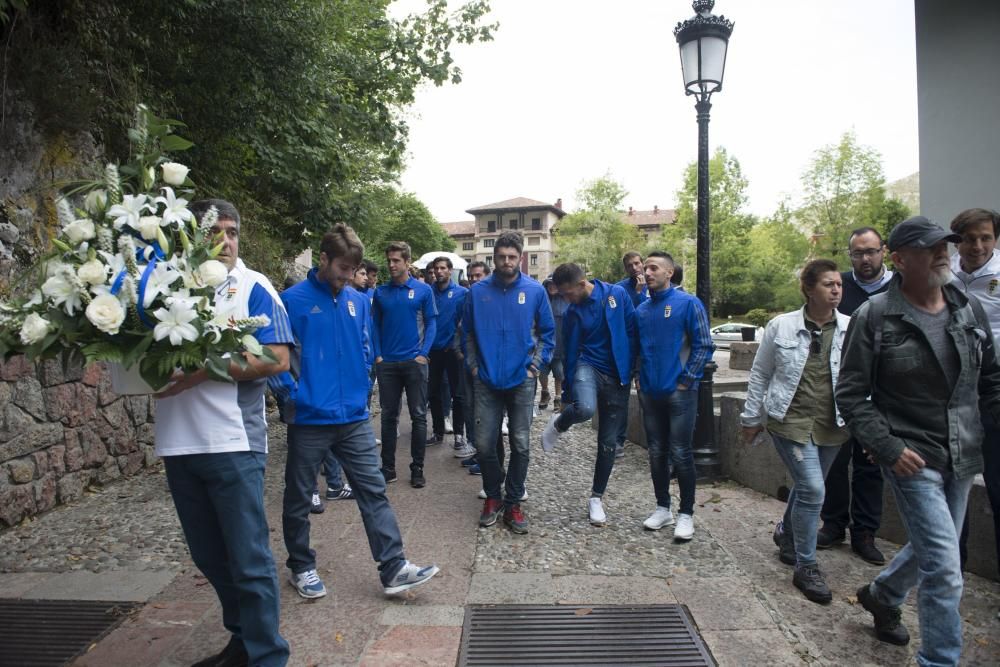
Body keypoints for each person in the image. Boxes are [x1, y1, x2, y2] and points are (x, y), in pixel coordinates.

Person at [837, 216, 1000, 662]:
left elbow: (992, 379)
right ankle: (939, 659)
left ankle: (883, 593)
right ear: (901, 259)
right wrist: (888, 447)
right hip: (912, 457)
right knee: (946, 568)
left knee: (934, 544)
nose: (943, 252)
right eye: (930, 248)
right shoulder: (874, 316)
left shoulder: (968, 305)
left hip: (964, 451)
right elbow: (851, 396)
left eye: (943, 245)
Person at [155, 199, 291, 667]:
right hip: (177, 441)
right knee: (210, 558)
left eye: (233, 232)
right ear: (190, 236)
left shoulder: (253, 286)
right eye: (215, 232)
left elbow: (277, 358)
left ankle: (268, 656)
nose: (226, 241)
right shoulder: (161, 285)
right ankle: (242, 642)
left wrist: (203, 371)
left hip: (233, 442)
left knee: (249, 561)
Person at [277, 224, 440, 600]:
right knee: (299, 496)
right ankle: (300, 565)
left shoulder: (357, 301)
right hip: (309, 418)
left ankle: (394, 566)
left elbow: (365, 346)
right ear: (323, 259)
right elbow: (278, 356)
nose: (349, 276)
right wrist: (292, 394)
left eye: (353, 269)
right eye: (343, 268)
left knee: (374, 491)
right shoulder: (292, 300)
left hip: (352, 417)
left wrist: (362, 388)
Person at [741, 259, 848, 604]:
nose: (836, 290)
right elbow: (760, 374)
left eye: (838, 285)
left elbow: (860, 378)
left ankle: (787, 532)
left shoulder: (851, 327)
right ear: (808, 288)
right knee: (814, 490)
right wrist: (750, 418)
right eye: (828, 284)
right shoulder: (781, 326)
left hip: (833, 423)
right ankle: (806, 565)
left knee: (807, 489)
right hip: (789, 419)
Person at [465, 232, 554, 533]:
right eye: (501, 257)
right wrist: (474, 367)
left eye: (511, 257)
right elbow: (466, 334)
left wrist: (535, 367)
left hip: (521, 380)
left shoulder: (534, 291)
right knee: (484, 443)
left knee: (520, 443)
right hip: (486, 379)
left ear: (521, 257)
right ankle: (493, 496)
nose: (506, 262)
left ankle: (513, 501)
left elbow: (548, 333)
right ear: (495, 258)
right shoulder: (477, 292)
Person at [817, 227, 893, 565]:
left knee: (870, 465)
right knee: (834, 461)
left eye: (871, 251)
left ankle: (865, 533)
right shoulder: (840, 287)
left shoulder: (899, 288)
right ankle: (833, 523)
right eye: (858, 253)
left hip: (882, 393)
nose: (865, 258)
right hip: (840, 390)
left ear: (884, 252)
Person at [541, 263, 636, 526]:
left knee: (608, 443)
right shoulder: (573, 312)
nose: (565, 299)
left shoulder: (616, 295)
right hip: (588, 365)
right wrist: (569, 390)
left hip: (618, 374)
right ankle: (559, 423)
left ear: (583, 285)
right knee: (584, 408)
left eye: (568, 293)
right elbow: (571, 350)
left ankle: (596, 497)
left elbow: (631, 331)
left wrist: (633, 369)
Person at [634, 252, 713, 542]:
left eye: (654, 267)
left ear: (670, 272)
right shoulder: (641, 310)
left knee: (681, 452)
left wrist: (686, 380)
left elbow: (704, 344)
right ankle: (662, 507)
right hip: (650, 393)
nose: (647, 272)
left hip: (679, 393)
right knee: (656, 453)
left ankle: (686, 513)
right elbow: (639, 349)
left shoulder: (688, 303)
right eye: (645, 268)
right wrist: (639, 379)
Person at [949, 208, 1000, 605]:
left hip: (995, 395)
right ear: (958, 241)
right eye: (969, 238)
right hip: (954, 398)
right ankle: (955, 574)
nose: (977, 246)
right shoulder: (944, 275)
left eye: (985, 237)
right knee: (954, 489)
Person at [372, 241, 437, 487]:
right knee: (389, 416)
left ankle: (417, 468)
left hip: (414, 362)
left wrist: (424, 353)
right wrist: (378, 355)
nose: (391, 264)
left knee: (419, 415)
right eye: (389, 260)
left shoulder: (423, 291)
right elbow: (374, 325)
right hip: (387, 363)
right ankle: (387, 468)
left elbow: (432, 322)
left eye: (396, 260)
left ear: (407, 262)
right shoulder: (380, 292)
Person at [427, 256, 474, 458]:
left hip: (453, 351)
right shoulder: (427, 293)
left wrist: (463, 349)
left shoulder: (462, 293)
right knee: (434, 393)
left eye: (443, 268)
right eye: (436, 268)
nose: (439, 272)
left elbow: (466, 322)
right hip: (432, 350)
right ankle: (438, 431)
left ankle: (459, 434)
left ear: (450, 270)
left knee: (459, 394)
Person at [538, 277, 568, 411]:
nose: (552, 286)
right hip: (544, 343)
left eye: (555, 284)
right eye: (550, 284)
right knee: (542, 373)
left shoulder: (566, 300)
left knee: (559, 374)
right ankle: (545, 393)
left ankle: (558, 397)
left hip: (560, 345)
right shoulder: (542, 299)